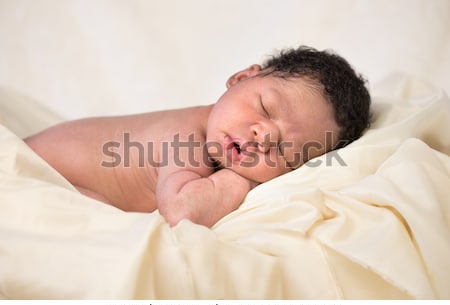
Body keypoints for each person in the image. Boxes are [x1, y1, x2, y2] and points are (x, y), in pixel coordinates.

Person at [24, 46, 371, 228]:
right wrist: (243, 182)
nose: (263, 137)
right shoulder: (186, 137)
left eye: (283, 152)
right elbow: (181, 213)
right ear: (240, 78)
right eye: (265, 108)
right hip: (29, 171)